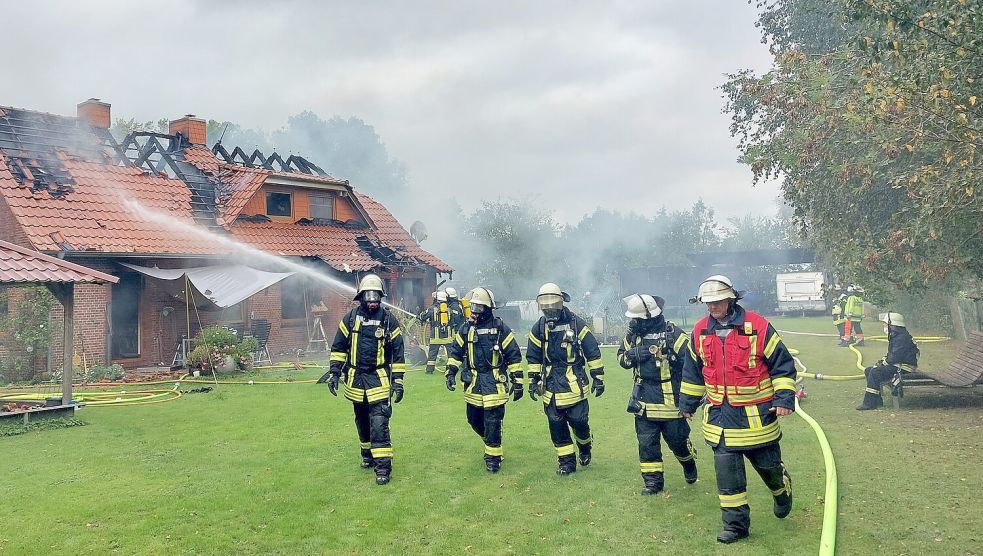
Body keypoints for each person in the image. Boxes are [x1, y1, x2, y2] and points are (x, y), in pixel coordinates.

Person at [679, 275, 796, 544]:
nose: (712, 307)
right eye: (707, 302)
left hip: (757, 420)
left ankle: (781, 489)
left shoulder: (758, 326)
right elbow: (693, 372)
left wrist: (784, 398)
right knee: (728, 478)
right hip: (720, 420)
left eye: (717, 301)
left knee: (769, 469)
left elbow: (782, 365)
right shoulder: (699, 332)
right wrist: (687, 404)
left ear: (730, 299)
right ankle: (735, 527)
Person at [318, 274, 405, 485]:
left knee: (379, 422)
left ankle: (383, 467)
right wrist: (335, 373)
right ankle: (367, 455)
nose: (373, 300)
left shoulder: (388, 320)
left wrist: (398, 381)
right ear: (362, 297)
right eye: (369, 296)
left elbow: (398, 352)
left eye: (376, 296)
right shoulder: (350, 318)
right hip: (356, 379)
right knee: (362, 421)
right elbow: (339, 348)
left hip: (379, 378)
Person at [617, 293, 699, 495]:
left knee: (678, 441)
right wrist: (631, 355)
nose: (633, 322)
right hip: (643, 400)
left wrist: (689, 398)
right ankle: (653, 483)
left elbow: (691, 364)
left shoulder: (673, 334)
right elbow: (622, 359)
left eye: (637, 319)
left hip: (671, 401)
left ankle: (688, 464)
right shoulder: (633, 336)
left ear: (649, 317)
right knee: (647, 444)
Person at [526, 282, 605, 476]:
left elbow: (592, 351)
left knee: (579, 421)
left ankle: (585, 446)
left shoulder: (576, 324)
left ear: (560, 303)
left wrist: (598, 377)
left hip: (573, 383)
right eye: (546, 308)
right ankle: (566, 462)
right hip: (551, 385)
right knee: (556, 425)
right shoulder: (540, 327)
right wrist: (533, 380)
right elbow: (534, 356)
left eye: (552, 307)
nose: (549, 311)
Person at [445, 287, 523, 472]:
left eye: (479, 308)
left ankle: (493, 459)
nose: (475, 312)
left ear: (488, 309)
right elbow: (456, 351)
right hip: (473, 384)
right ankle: (491, 441)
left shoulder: (500, 328)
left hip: (495, 383)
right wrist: (450, 372)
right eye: (473, 307)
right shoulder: (466, 328)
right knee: (473, 420)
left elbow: (513, 355)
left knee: (493, 421)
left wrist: (518, 382)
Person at [856, 312, 919, 410]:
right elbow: (892, 356)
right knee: (869, 370)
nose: (884, 326)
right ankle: (877, 401)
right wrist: (882, 362)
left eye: (886, 324)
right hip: (898, 365)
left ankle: (869, 403)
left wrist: (883, 364)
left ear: (893, 325)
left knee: (875, 372)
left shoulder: (902, 338)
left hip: (904, 368)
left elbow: (895, 358)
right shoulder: (897, 336)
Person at [419, 291, 453, 374]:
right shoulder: (449, 309)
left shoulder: (432, 309)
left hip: (436, 337)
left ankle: (430, 370)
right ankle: (450, 369)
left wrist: (421, 317)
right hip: (448, 336)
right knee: (451, 355)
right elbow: (452, 321)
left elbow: (423, 316)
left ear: (437, 299)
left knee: (432, 355)